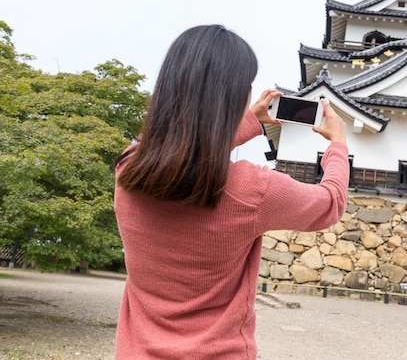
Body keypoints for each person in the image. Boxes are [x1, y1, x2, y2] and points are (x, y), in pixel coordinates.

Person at [113, 24, 349, 359]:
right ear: (236, 97)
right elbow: (330, 203)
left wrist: (249, 124)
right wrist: (338, 144)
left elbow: (186, 160)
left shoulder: (129, 168)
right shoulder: (254, 191)